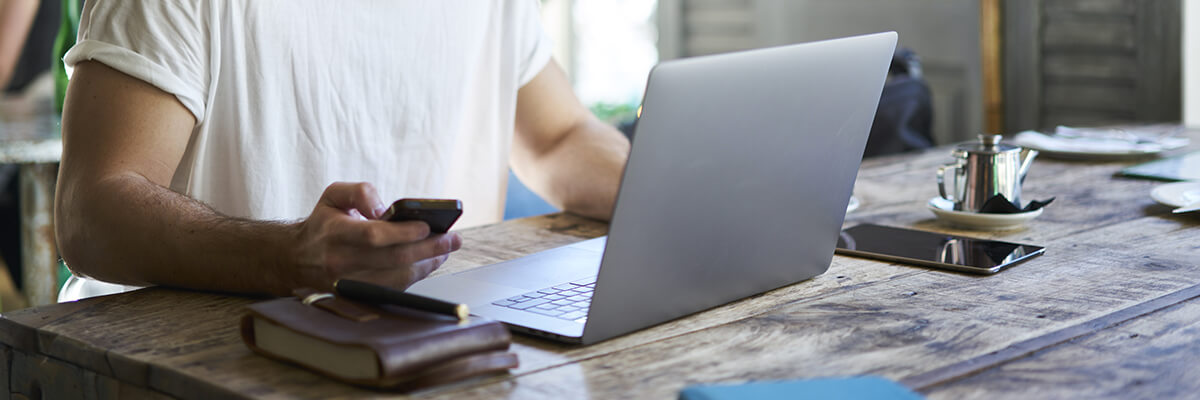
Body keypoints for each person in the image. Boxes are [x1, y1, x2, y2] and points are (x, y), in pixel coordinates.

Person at [54, 1, 631, 297]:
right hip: (171, 365)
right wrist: (284, 257)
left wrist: (674, 193)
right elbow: (91, 213)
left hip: (436, 344)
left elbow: (559, 138)